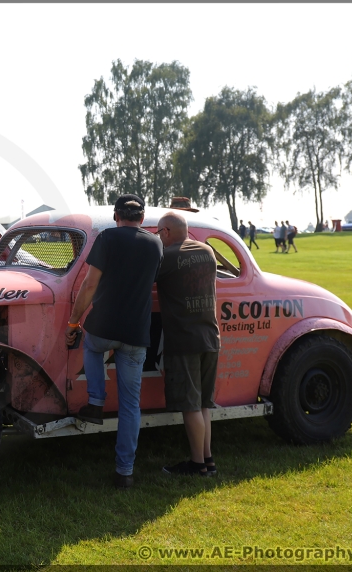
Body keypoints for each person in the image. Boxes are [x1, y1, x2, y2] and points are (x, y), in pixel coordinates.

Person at [64, 195, 162, 489]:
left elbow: (90, 283)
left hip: (103, 326)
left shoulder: (107, 238)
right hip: (136, 332)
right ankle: (125, 472)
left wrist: (73, 321)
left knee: (91, 347)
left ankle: (95, 400)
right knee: (130, 406)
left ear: (116, 216)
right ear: (142, 218)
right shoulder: (156, 243)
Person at [154, 211, 221, 477]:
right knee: (204, 404)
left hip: (184, 338)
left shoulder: (167, 257)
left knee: (190, 405)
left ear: (166, 232)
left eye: (159, 233)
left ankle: (196, 465)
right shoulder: (207, 252)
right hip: (210, 336)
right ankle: (207, 460)